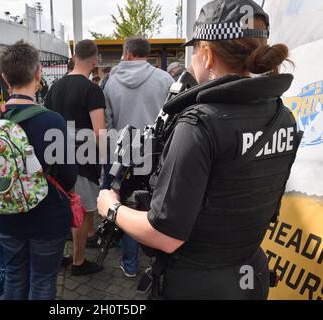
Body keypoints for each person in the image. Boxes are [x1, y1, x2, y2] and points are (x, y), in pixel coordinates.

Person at [97, 0, 301, 300]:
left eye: (194, 50)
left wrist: (111, 208)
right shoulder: (283, 115)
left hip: (195, 285)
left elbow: (164, 235)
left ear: (206, 55)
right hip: (250, 278)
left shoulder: (199, 124)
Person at [0, 40, 77, 300]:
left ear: (4, 77)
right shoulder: (52, 120)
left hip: (7, 216)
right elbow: (69, 175)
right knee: (43, 281)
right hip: (47, 218)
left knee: (14, 277)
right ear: (38, 73)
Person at [103, 36, 174, 278]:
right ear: (146, 53)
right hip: (158, 155)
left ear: (128, 53)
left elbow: (108, 123)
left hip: (124, 154)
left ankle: (130, 264)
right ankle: (157, 264)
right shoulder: (165, 79)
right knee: (158, 204)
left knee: (128, 206)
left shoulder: (111, 83)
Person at [45, 40, 106, 276]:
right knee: (80, 209)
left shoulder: (55, 87)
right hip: (83, 158)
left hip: (56, 156)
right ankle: (79, 262)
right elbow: (100, 132)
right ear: (94, 59)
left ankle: (60, 255)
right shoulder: (92, 89)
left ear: (73, 57)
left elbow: (48, 122)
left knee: (61, 208)